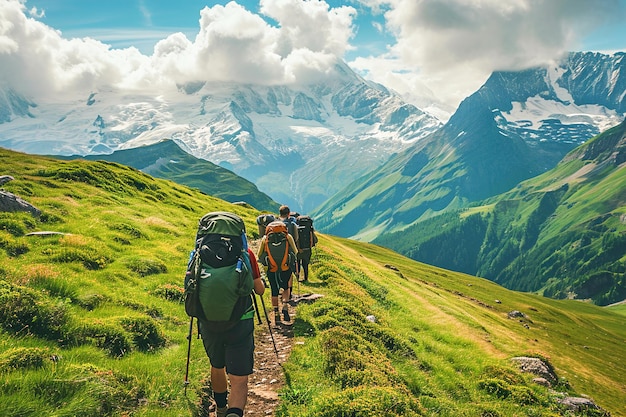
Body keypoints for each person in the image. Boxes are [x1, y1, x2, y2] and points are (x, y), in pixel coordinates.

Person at [199, 248, 265, 417]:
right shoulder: (246, 253)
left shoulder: (200, 253)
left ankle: (220, 408)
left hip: (208, 320)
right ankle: (234, 413)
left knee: (217, 365)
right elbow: (259, 290)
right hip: (241, 321)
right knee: (238, 379)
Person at [257, 215, 298, 324]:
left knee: (274, 290)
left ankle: (275, 312)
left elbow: (259, 254)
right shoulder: (288, 236)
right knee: (285, 287)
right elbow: (295, 251)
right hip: (285, 267)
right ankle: (285, 306)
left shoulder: (265, 239)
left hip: (271, 268)